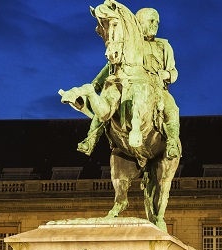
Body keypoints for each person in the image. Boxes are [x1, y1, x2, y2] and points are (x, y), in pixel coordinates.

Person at [77, 7, 181, 160]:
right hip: (127, 85)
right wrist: (95, 86)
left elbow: (173, 71)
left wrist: (167, 74)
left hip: (156, 87)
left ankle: (172, 142)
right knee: (107, 103)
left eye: (157, 22)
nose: (155, 25)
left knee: (171, 108)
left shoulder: (164, 46)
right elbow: (109, 67)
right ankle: (91, 138)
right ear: (140, 22)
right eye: (151, 21)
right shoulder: (128, 46)